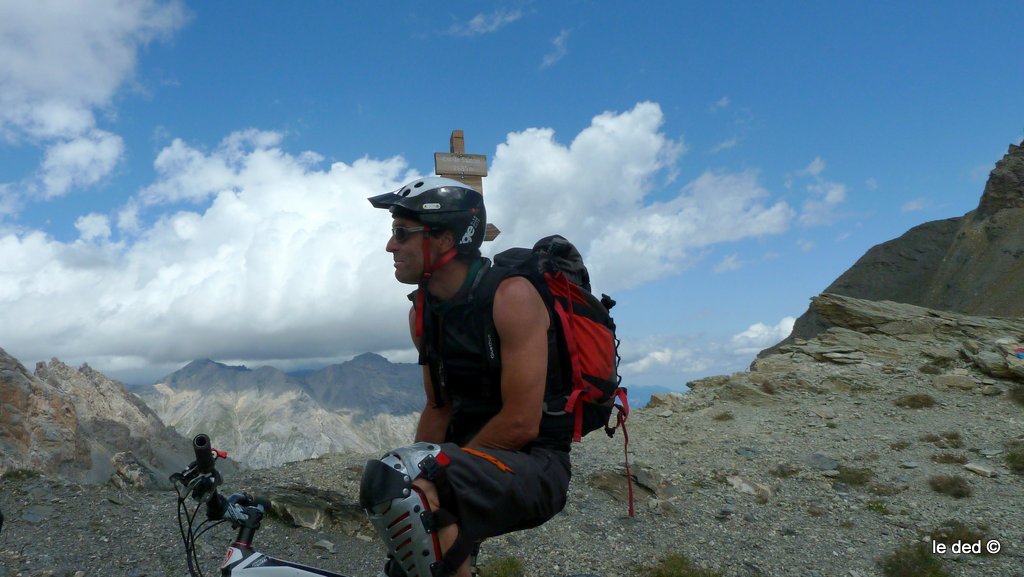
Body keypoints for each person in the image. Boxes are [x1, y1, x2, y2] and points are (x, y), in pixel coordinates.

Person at [359, 177, 574, 577]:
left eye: (402, 233)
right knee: (404, 515)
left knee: (413, 493)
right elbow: (438, 407)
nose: (391, 246)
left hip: (536, 465)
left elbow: (523, 422)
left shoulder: (512, 296)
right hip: (470, 459)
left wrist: (432, 475)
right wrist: (417, 472)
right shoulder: (423, 314)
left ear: (443, 240)